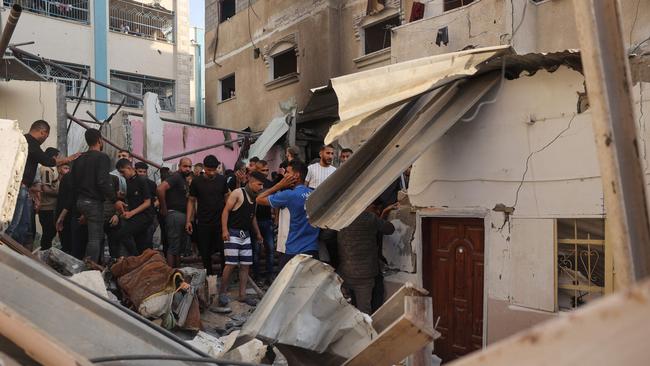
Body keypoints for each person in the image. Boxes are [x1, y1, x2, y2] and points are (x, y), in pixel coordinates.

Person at [6, 120, 78, 245]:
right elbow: (46, 161)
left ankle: (18, 255)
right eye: (46, 136)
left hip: (25, 189)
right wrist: (68, 159)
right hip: (22, 189)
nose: (45, 139)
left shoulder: (25, 141)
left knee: (24, 227)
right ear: (42, 132)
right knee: (14, 226)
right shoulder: (30, 142)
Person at [256, 160, 320, 269]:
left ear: (296, 175)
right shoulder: (315, 194)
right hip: (312, 249)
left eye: (287, 172)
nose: (284, 175)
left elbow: (259, 199)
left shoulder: (288, 195)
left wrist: (279, 185)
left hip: (293, 251)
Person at [337, 200, 397, 314]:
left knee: (347, 311)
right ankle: (366, 331)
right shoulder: (369, 218)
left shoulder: (342, 219)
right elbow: (390, 229)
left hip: (345, 272)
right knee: (364, 311)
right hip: (365, 275)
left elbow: (326, 236)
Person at [218, 171, 265, 308]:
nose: (261, 187)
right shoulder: (238, 193)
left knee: (245, 266)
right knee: (231, 264)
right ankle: (222, 293)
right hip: (232, 232)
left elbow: (253, 216)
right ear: (251, 181)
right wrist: (225, 230)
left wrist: (258, 233)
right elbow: (225, 211)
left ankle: (242, 295)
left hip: (246, 235)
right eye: (259, 184)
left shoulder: (255, 198)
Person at [70, 128, 116, 262]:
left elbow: (73, 183)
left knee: (87, 236)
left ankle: (86, 263)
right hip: (93, 203)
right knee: (95, 238)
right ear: (99, 140)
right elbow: (102, 181)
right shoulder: (102, 157)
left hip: (80, 202)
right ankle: (91, 268)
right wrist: (115, 199)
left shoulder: (78, 159)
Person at [186, 155, 229, 276]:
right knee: (205, 252)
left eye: (214, 170)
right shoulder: (196, 181)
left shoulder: (222, 180)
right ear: (204, 167)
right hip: (203, 222)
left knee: (223, 251)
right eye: (209, 170)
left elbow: (227, 198)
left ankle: (224, 276)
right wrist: (188, 221)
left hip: (220, 222)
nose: (212, 172)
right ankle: (209, 277)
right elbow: (191, 200)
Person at [305, 144, 338, 266]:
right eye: (328, 153)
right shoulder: (311, 169)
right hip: (312, 211)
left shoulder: (334, 171)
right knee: (312, 239)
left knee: (327, 238)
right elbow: (305, 188)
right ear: (321, 154)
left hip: (328, 211)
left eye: (332, 154)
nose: (330, 156)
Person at [157, 158, 192, 268]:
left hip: (181, 216)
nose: (188, 169)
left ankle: (177, 274)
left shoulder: (183, 179)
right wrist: (164, 208)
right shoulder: (176, 177)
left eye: (190, 167)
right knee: (173, 248)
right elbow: (160, 189)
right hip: (174, 215)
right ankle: (170, 275)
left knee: (178, 249)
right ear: (179, 166)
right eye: (185, 166)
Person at [114, 159, 154, 255]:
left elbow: (147, 202)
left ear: (129, 168)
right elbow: (133, 198)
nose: (122, 175)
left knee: (122, 234)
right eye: (120, 173)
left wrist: (131, 213)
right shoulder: (128, 182)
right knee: (141, 245)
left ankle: (135, 257)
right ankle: (138, 261)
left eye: (123, 172)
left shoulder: (141, 180)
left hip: (144, 216)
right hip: (135, 216)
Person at [252, 159, 275, 284]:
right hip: (254, 221)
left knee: (270, 249)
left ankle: (269, 276)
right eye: (263, 170)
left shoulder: (270, 184)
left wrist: (275, 218)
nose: (266, 173)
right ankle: (257, 276)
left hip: (267, 220)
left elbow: (275, 201)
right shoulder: (252, 183)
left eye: (267, 170)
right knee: (256, 251)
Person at [37, 147, 62, 250]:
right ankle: (44, 253)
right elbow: (46, 189)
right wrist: (60, 194)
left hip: (49, 207)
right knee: (49, 232)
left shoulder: (49, 169)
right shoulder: (47, 169)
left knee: (49, 233)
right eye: (59, 157)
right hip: (47, 208)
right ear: (53, 157)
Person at [135, 161, 158, 246]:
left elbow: (158, 199)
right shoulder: (131, 182)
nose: (142, 174)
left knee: (147, 241)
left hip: (149, 216)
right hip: (135, 216)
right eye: (140, 171)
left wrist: (152, 207)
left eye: (144, 172)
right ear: (135, 171)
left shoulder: (151, 184)